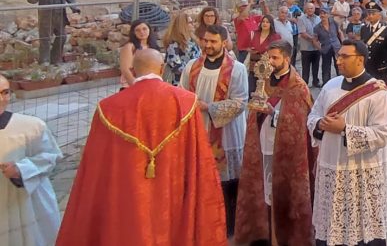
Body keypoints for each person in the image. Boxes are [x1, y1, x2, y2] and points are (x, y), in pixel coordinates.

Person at [57, 49, 226, 245]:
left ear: (133, 71)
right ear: (162, 69)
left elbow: (95, 168)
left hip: (126, 197)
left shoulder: (108, 108)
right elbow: (199, 161)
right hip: (174, 191)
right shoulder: (186, 102)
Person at [308, 40, 387, 246]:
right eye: (338, 56)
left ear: (360, 59)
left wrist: (345, 130)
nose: (338, 61)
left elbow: (382, 134)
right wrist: (320, 124)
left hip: (361, 171)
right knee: (332, 225)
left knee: (363, 230)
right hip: (331, 165)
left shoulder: (378, 93)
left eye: (344, 56)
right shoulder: (330, 86)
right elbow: (312, 115)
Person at [235, 41, 317, 245]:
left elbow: (300, 122)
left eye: (275, 58)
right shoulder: (264, 82)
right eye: (268, 57)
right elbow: (254, 110)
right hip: (263, 144)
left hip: (287, 150)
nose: (270, 62)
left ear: (287, 59)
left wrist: (274, 114)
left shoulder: (298, 87)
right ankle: (264, 232)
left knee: (283, 191)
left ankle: (285, 235)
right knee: (264, 189)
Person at [180, 25, 248, 237]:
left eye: (213, 41)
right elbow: (181, 92)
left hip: (227, 132)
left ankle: (228, 226)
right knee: (200, 179)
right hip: (198, 128)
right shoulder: (191, 66)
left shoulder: (237, 69)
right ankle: (202, 222)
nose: (208, 45)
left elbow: (240, 102)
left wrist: (209, 107)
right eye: (205, 40)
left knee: (228, 183)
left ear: (224, 43)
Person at [0, 74, 63, 246]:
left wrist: (21, 169)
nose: (2, 99)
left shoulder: (31, 126)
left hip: (27, 204)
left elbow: (51, 156)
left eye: (5, 92)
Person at [26, 0, 79, 65]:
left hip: (60, 17)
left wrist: (75, 7)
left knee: (62, 37)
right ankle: (44, 61)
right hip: (47, 17)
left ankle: (55, 59)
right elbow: (31, 0)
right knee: (45, 39)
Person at [359, 1, 387, 88]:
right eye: (369, 13)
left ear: (379, 15)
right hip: (367, 67)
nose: (370, 15)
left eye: (373, 13)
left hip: (381, 68)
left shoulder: (386, 30)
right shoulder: (363, 29)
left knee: (381, 93)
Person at [163, 10, 201, 85]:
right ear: (183, 25)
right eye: (190, 23)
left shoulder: (193, 41)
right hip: (179, 83)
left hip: (195, 80)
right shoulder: (173, 44)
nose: (193, 24)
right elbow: (176, 67)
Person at [119, 19, 160, 88]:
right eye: (137, 30)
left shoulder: (153, 46)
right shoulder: (130, 47)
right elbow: (126, 70)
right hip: (132, 86)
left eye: (144, 29)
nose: (142, 32)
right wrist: (135, 85)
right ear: (133, 32)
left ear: (149, 30)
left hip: (150, 85)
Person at [248, 14, 281, 94]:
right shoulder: (254, 34)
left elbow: (277, 52)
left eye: (267, 22)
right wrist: (251, 51)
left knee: (264, 92)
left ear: (271, 24)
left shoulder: (275, 37)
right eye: (263, 22)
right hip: (253, 67)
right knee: (251, 90)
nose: (265, 24)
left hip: (267, 69)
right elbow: (248, 46)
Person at [234, 0, 267, 64]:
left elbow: (266, 16)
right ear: (239, 9)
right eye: (244, 6)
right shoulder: (238, 19)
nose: (247, 7)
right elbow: (243, 15)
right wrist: (249, 3)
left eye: (247, 6)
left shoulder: (253, 18)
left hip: (255, 50)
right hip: (244, 52)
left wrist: (264, 5)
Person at [298, 2, 322, 88]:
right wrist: (313, 40)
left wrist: (317, 41)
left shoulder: (318, 18)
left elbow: (320, 30)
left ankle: (316, 81)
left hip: (316, 48)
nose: (310, 10)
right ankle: (305, 83)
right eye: (308, 8)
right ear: (305, 9)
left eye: (312, 8)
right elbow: (302, 33)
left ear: (314, 9)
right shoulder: (301, 19)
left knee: (316, 66)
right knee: (306, 67)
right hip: (306, 48)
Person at [314, 12, 342, 82]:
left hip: (337, 48)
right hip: (326, 49)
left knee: (339, 65)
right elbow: (314, 40)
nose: (322, 15)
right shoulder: (317, 27)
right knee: (326, 67)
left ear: (328, 15)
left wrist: (343, 44)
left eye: (325, 13)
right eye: (321, 13)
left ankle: (341, 81)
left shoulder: (334, 23)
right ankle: (326, 83)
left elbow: (340, 33)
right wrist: (320, 49)